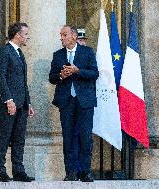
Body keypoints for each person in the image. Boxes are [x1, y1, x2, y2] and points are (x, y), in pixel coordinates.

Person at [49, 25, 99, 182]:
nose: (61, 38)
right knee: (68, 136)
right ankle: (70, 172)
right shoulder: (58, 55)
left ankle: (85, 172)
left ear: (73, 36)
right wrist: (61, 75)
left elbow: (94, 73)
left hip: (84, 101)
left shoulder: (87, 52)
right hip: (66, 101)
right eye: (61, 35)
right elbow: (52, 78)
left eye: (64, 35)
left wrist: (78, 71)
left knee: (85, 136)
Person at [0, 22, 35, 182]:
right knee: (4, 137)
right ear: (17, 34)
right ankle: (0, 169)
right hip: (9, 104)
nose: (27, 37)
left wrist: (28, 103)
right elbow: (1, 77)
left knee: (19, 138)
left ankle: (18, 170)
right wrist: (8, 100)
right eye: (25, 34)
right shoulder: (5, 52)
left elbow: (22, 82)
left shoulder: (19, 53)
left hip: (22, 104)